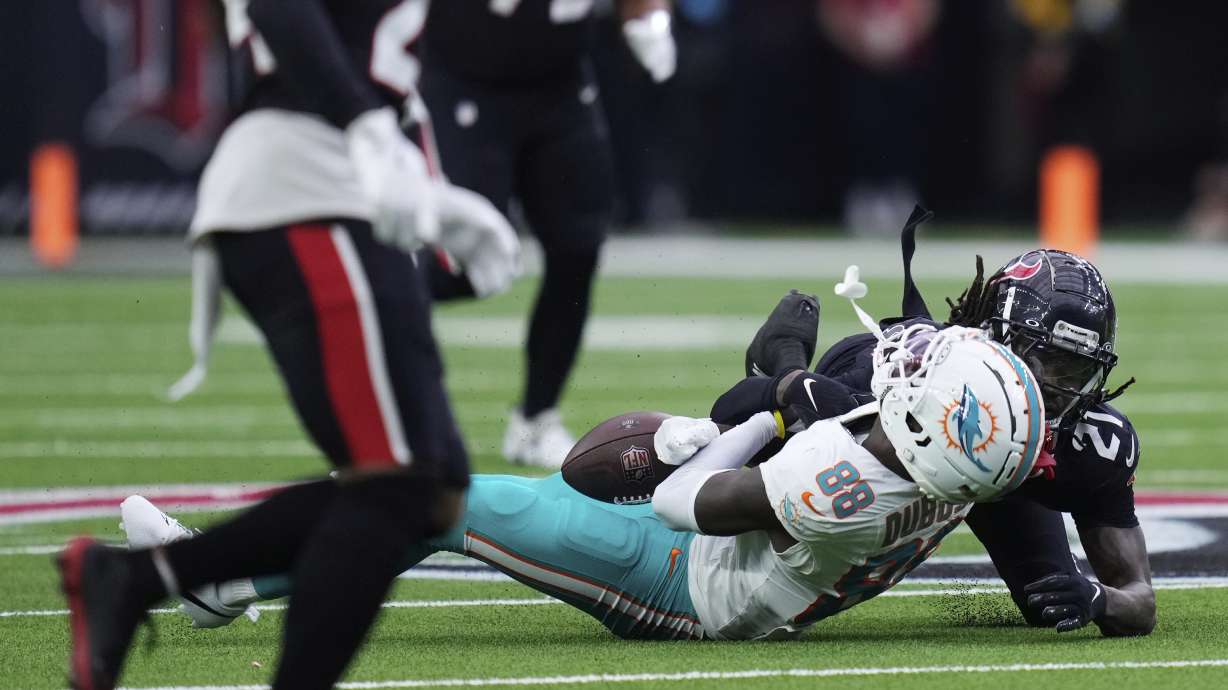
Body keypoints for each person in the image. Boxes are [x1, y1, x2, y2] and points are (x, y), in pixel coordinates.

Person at [122, 287, 1045, 640]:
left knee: (434, 496)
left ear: (925, 431)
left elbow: (686, 499)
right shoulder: (966, 462)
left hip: (686, 578)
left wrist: (757, 413)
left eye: (923, 384)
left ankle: (225, 582)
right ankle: (235, 578)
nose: (907, 369)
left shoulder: (838, 485)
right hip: (744, 551)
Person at [56, 2, 519, 689]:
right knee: (397, 484)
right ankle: (139, 580)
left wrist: (430, 196)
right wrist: (365, 127)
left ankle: (139, 578)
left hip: (344, 194)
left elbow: (379, 64)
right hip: (301, 189)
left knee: (433, 492)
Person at [726, 210, 1154, 636]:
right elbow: (730, 411)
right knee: (783, 494)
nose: (1060, 389)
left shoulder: (1095, 445)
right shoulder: (920, 379)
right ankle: (784, 357)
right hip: (899, 416)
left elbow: (1139, 601)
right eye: (1048, 363)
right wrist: (792, 386)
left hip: (1002, 478)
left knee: (1050, 603)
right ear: (998, 338)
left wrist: (1100, 598)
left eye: (1077, 371)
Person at [416, 0, 678, 468]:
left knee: (578, 248)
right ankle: (377, 348)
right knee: (461, 265)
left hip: (561, 84)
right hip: (465, 81)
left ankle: (536, 420)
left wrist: (648, 18)